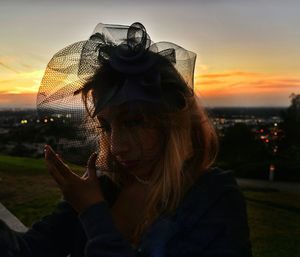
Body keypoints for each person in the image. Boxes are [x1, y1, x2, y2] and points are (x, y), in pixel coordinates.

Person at [0, 22, 252, 257]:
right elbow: (25, 251)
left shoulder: (214, 198)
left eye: (133, 122)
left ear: (174, 122)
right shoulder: (105, 188)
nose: (117, 146)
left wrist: (93, 214)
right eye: (106, 126)